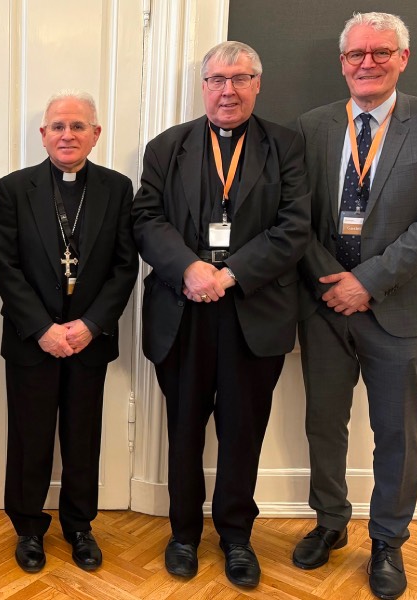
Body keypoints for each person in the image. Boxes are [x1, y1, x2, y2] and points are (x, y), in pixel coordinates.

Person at [293, 12, 417, 600]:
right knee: (324, 425)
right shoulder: (313, 126)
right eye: (356, 54)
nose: (367, 63)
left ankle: (388, 541)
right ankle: (330, 522)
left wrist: (365, 282)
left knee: (395, 432)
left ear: (403, 58)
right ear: (342, 62)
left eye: (381, 52)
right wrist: (331, 280)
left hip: (399, 308)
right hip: (325, 306)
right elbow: (297, 217)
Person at [131, 41, 310, 589]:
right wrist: (190, 268)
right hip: (182, 312)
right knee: (184, 429)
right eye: (217, 79)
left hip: (253, 312)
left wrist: (227, 275)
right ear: (203, 85)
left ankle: (236, 537)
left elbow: (294, 227)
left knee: (242, 432)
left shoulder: (286, 146)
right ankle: (183, 534)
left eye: (240, 78)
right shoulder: (168, 146)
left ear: (258, 83)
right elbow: (146, 219)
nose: (227, 91)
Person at [0, 91, 138, 574]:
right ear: (43, 134)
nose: (67, 135)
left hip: (88, 340)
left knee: (82, 438)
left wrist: (91, 325)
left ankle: (79, 526)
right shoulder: (14, 188)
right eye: (58, 126)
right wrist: (42, 329)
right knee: (29, 437)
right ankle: (28, 528)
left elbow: (124, 266)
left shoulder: (117, 189)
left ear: (96, 134)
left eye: (78, 126)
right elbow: (6, 267)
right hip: (32, 340)